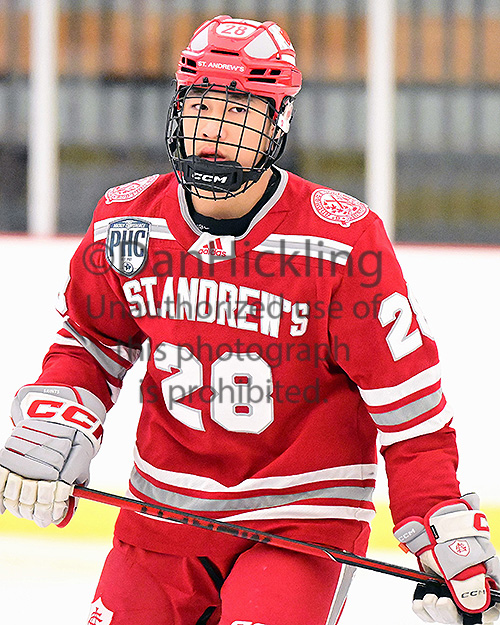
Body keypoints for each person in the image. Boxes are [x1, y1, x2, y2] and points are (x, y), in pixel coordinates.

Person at [0, 14, 498, 625]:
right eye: (201, 108)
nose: (214, 132)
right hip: (161, 517)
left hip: (299, 525)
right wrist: (58, 416)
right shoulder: (126, 221)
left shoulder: (341, 241)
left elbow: (409, 408)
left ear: (277, 122)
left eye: (238, 113)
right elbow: (89, 341)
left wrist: (437, 517)